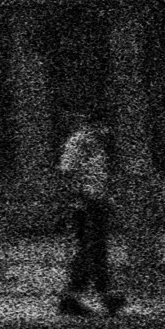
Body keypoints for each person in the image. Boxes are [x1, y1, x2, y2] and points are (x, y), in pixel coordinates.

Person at [52, 115, 119, 317]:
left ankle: (103, 293)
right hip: (86, 203)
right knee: (89, 249)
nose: (107, 130)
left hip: (96, 201)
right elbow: (68, 172)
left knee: (96, 249)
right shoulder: (80, 141)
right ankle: (76, 296)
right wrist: (79, 198)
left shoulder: (96, 144)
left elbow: (97, 175)